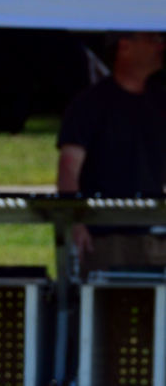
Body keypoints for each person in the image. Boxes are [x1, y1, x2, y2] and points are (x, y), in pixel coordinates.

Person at [55, 31, 166, 271]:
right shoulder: (90, 104)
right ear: (124, 46)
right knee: (107, 305)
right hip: (104, 238)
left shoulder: (160, 101)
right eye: (153, 39)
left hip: (155, 235)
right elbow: (68, 168)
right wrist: (75, 221)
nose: (161, 46)